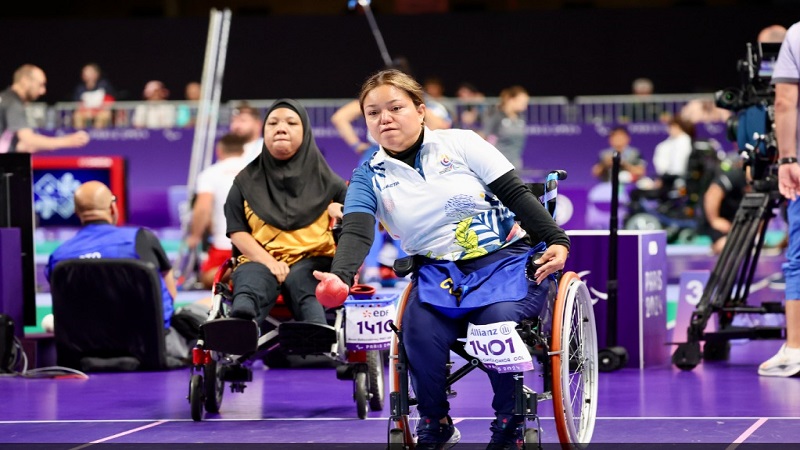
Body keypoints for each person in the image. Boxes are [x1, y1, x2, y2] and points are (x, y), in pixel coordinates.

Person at [312, 69, 570, 449]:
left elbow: (515, 193)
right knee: (417, 330)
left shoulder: (463, 143)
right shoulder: (369, 175)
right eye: (372, 113)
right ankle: (434, 419)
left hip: (504, 261)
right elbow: (356, 229)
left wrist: (556, 239)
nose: (384, 118)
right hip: (437, 274)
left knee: (495, 324)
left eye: (395, 107)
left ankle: (509, 420)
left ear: (420, 110)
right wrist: (340, 275)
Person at [44, 181, 201, 363]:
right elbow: (169, 293)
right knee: (206, 307)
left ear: (77, 213)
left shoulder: (58, 255)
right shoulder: (141, 238)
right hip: (150, 348)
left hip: (85, 352)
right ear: (112, 207)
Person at [224, 98, 348, 328]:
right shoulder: (243, 182)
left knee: (304, 279)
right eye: (272, 123)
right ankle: (240, 326)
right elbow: (236, 230)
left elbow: (355, 226)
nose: (281, 128)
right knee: (251, 279)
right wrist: (269, 262)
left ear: (306, 132)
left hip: (314, 260)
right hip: (259, 258)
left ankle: (316, 332)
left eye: (291, 122)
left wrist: (341, 213)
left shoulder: (332, 185)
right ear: (264, 131)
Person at [761, 20, 800, 377]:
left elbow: (786, 101)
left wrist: (788, 159)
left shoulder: (798, 33)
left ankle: (796, 349)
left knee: (799, 259)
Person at [185, 133, 248, 289]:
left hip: (225, 245)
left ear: (219, 150)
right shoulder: (256, 169)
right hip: (256, 243)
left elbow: (202, 209)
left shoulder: (210, 174)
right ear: (243, 151)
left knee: (207, 278)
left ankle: (240, 271)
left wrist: (195, 236)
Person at [0, 64, 90, 153]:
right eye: (40, 85)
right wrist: (68, 141)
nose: (43, 91)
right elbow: (28, 140)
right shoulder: (13, 104)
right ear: (25, 81)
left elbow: (22, 146)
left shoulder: (5, 99)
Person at [702, 155, 747, 255]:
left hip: (736, 221)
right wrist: (715, 220)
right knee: (725, 245)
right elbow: (713, 192)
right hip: (722, 221)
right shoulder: (736, 175)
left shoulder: (760, 180)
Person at [483, 85, 530, 172]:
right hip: (498, 165)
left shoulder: (521, 118)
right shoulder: (496, 116)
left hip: (516, 165)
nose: (525, 106)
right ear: (511, 100)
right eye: (522, 102)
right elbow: (488, 139)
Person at [71, 63, 115, 129]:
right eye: (84, 72)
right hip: (86, 112)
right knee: (77, 116)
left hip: (101, 111)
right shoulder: (80, 88)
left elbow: (110, 101)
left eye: (89, 72)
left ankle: (97, 137)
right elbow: (78, 104)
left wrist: (96, 111)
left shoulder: (104, 85)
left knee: (102, 116)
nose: (86, 74)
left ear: (96, 74)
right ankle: (80, 136)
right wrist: (88, 112)